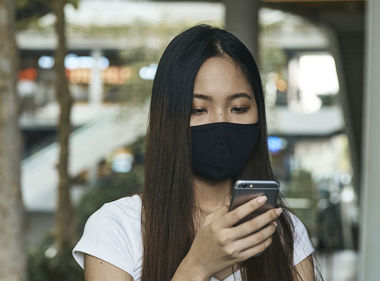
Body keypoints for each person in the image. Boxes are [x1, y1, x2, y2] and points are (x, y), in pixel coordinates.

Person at [72, 25, 317, 281]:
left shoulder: (285, 232)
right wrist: (198, 266)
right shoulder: (116, 227)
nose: (221, 122)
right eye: (198, 110)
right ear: (168, 119)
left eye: (239, 108)